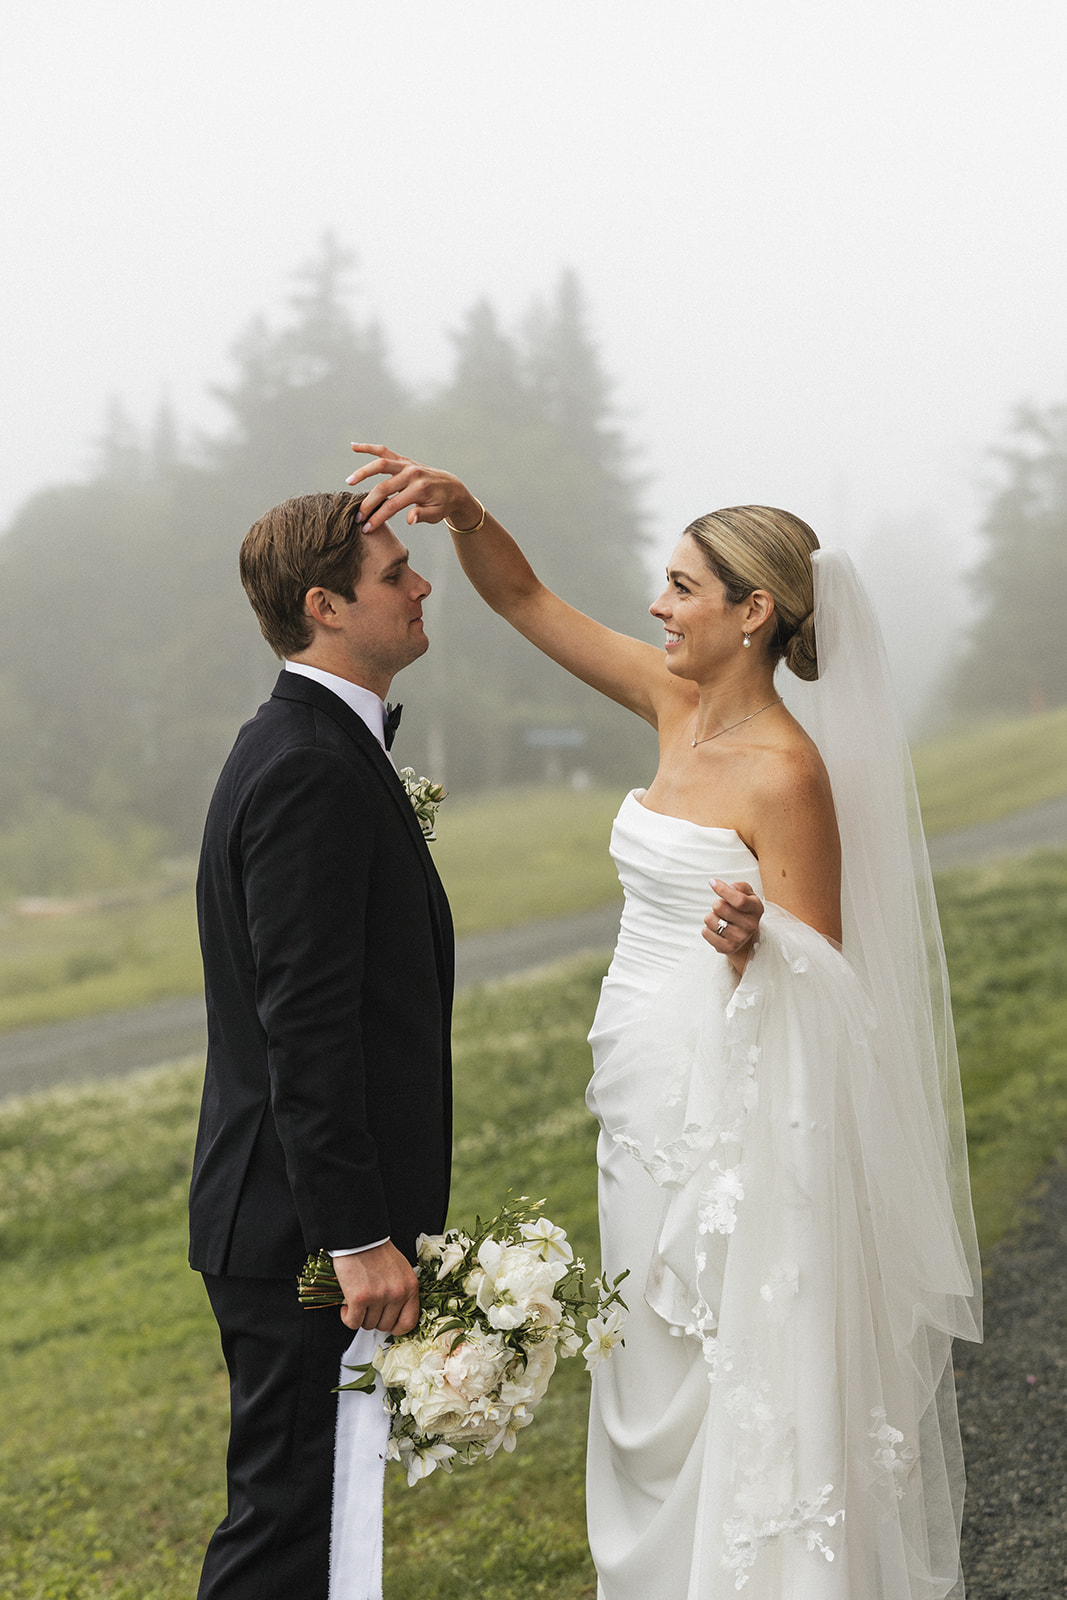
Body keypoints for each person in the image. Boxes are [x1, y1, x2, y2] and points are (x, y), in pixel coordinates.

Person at [345, 445, 982, 1599]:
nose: (657, 604)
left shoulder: (786, 775)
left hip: (720, 1110)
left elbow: (831, 986)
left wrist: (759, 943)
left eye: (683, 587)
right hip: (630, 1097)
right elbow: (526, 600)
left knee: (722, 1355)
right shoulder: (669, 699)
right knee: (640, 1353)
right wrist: (467, 512)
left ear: (754, 611)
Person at [189, 489, 453, 1600]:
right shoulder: (304, 765)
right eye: (395, 571)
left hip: (294, 1220)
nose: (420, 582)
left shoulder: (315, 744)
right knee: (287, 1536)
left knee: (319, 1526)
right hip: (300, 1231)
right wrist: (355, 1238)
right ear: (324, 605)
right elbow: (303, 1025)